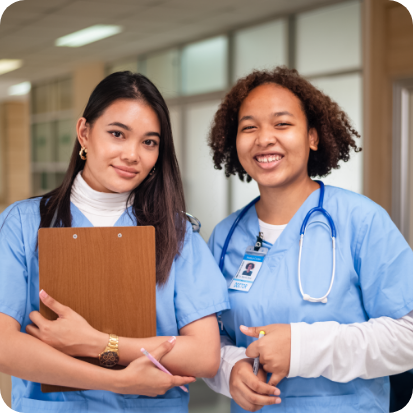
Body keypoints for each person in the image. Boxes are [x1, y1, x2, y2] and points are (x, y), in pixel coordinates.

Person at [0, 71, 230, 413]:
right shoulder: (22, 223)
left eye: (149, 142)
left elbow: (203, 356)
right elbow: (5, 346)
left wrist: (97, 343)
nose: (132, 154)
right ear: (84, 133)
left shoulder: (177, 232)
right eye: (117, 134)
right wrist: (119, 380)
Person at [203, 67, 413, 412]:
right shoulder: (225, 236)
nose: (264, 138)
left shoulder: (360, 220)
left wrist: (303, 348)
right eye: (249, 127)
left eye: (282, 124)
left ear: (313, 137)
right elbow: (211, 336)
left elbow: (408, 335)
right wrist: (229, 369)